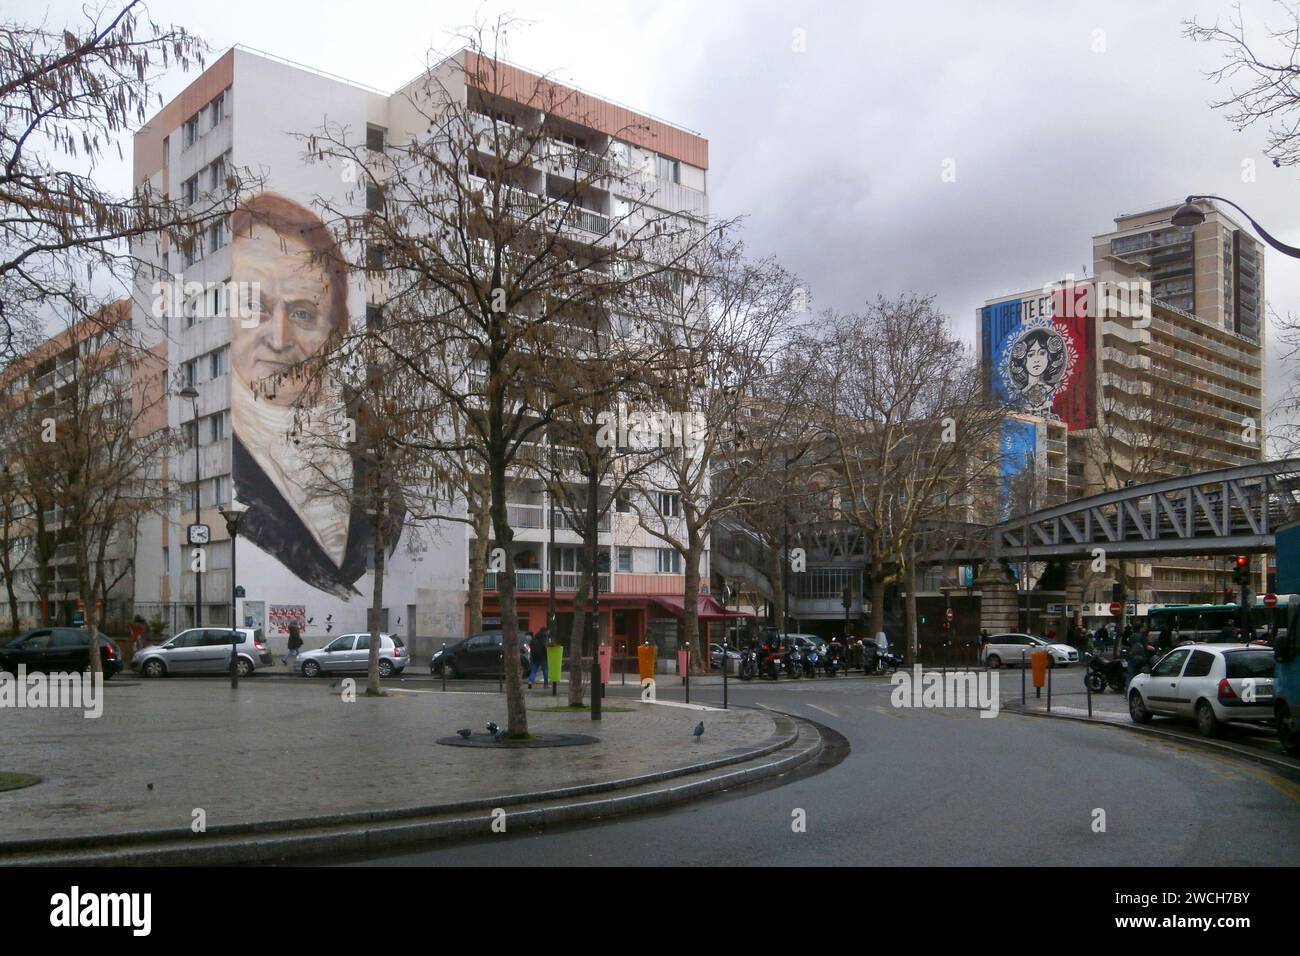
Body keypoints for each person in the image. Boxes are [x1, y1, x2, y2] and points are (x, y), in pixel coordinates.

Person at [230, 193, 406, 599]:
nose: (278, 339)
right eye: (253, 306)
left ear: (335, 329)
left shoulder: (370, 433)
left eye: (302, 313)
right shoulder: (221, 444)